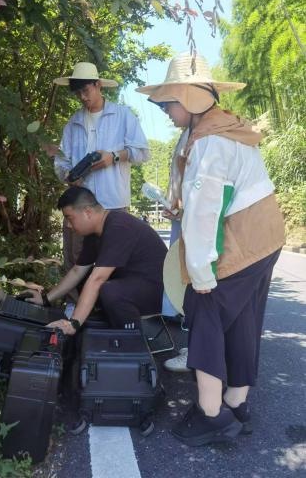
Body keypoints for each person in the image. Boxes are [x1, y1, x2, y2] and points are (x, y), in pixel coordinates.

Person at [136, 52, 285, 446]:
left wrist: (201, 276)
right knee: (243, 319)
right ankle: (237, 404)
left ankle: (211, 414)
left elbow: (204, 215)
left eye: (167, 101)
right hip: (266, 236)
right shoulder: (216, 128)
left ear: (188, 96)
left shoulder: (210, 143)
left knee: (206, 312)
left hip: (243, 239)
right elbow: (203, 195)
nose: (164, 110)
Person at [52, 62, 150, 302]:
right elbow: (61, 162)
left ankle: (111, 310)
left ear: (98, 85)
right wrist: (68, 175)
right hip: (80, 204)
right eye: (78, 94)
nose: (83, 98)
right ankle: (74, 310)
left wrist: (114, 157)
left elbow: (143, 153)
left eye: (86, 91)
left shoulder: (123, 115)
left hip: (112, 204)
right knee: (76, 259)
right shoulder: (73, 123)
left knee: (115, 262)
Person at [25, 186, 167, 335]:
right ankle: (100, 323)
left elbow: (98, 279)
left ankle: (131, 339)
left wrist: (73, 323)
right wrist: (45, 299)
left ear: (87, 212)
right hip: (132, 282)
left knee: (108, 289)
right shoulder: (94, 234)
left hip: (157, 290)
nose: (68, 224)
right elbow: (77, 271)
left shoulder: (118, 227)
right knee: (85, 279)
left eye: (69, 217)